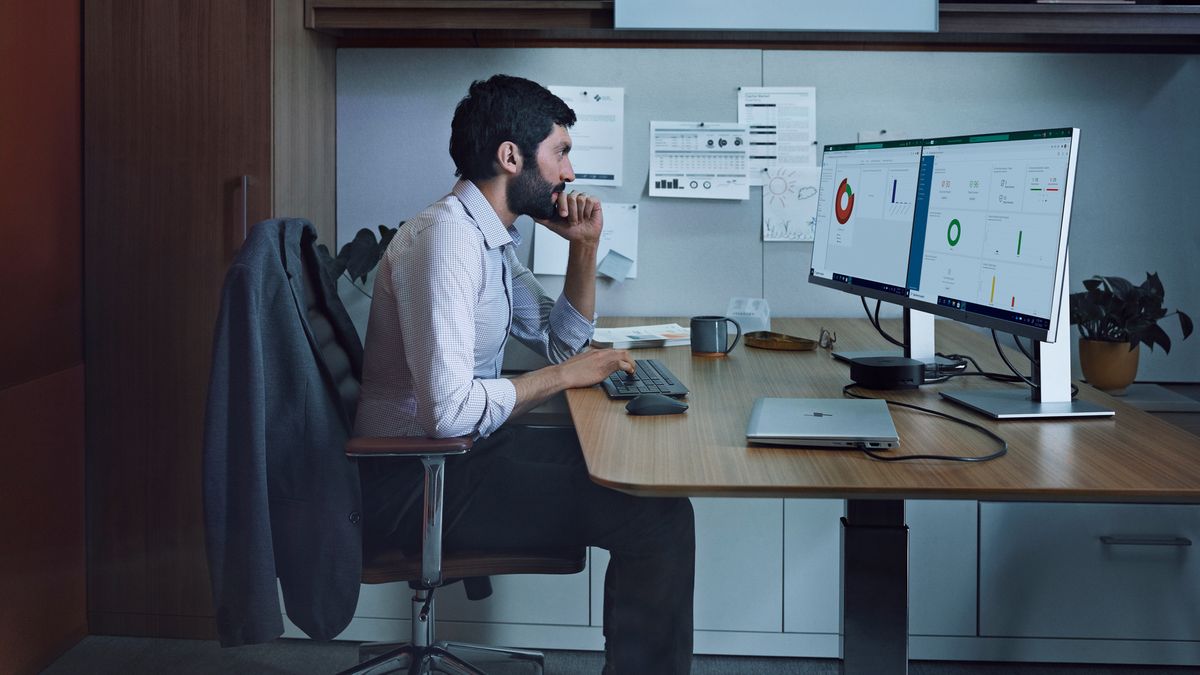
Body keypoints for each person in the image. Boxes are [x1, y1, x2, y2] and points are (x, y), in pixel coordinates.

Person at [354, 74, 695, 674]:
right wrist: (567, 380)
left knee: (643, 480)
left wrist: (584, 249)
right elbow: (451, 413)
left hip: (462, 457)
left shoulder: (490, 238)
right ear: (511, 157)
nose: (569, 173)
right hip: (420, 480)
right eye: (560, 152)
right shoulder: (449, 243)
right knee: (655, 517)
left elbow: (560, 341)